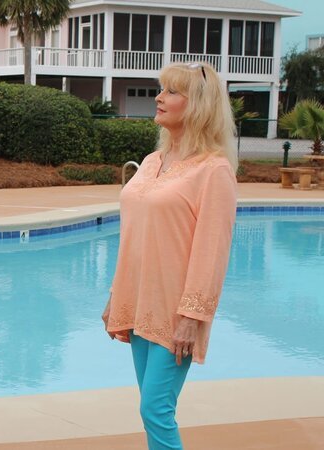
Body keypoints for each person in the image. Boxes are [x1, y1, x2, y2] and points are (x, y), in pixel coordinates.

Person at [101, 61, 238, 450]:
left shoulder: (214, 171)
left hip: (175, 310)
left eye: (171, 92)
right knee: (151, 407)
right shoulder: (150, 163)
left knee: (155, 409)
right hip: (138, 301)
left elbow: (212, 250)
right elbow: (132, 236)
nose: (159, 98)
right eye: (161, 89)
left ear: (197, 105)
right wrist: (116, 296)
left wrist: (193, 317)